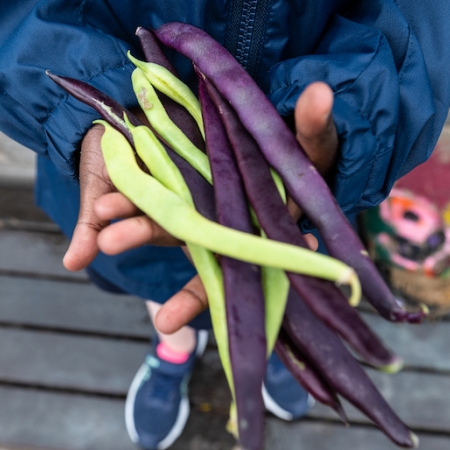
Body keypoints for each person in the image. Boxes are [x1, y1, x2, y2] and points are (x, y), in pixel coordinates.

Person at [1, 1, 449, 449]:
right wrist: (69, 93)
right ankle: (175, 349)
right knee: (160, 280)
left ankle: (273, 348)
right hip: (114, 86)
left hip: (306, 114)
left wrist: (360, 103)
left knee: (281, 273)